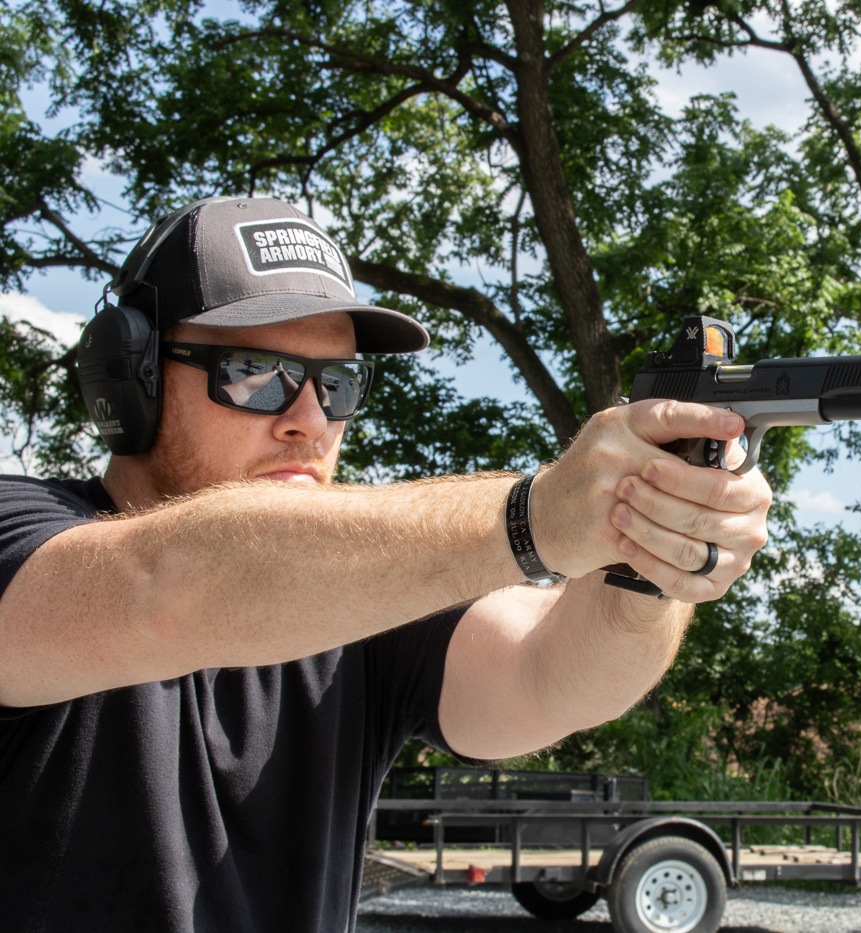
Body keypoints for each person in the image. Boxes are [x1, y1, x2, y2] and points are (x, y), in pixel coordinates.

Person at [0, 197, 771, 931]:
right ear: (129, 378)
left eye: (337, 386)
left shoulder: (362, 595)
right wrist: (532, 516)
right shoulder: (23, 538)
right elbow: (167, 584)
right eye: (253, 372)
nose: (309, 419)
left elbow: (551, 674)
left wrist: (651, 543)